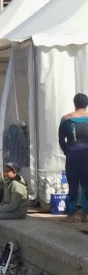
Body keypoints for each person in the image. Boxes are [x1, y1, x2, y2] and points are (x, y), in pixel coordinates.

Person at [58, 92, 88, 222]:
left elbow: (61, 140)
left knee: (73, 184)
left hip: (73, 156)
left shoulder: (66, 119)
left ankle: (70, 215)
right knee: (87, 185)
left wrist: (67, 152)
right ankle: (85, 215)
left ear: (74, 103)